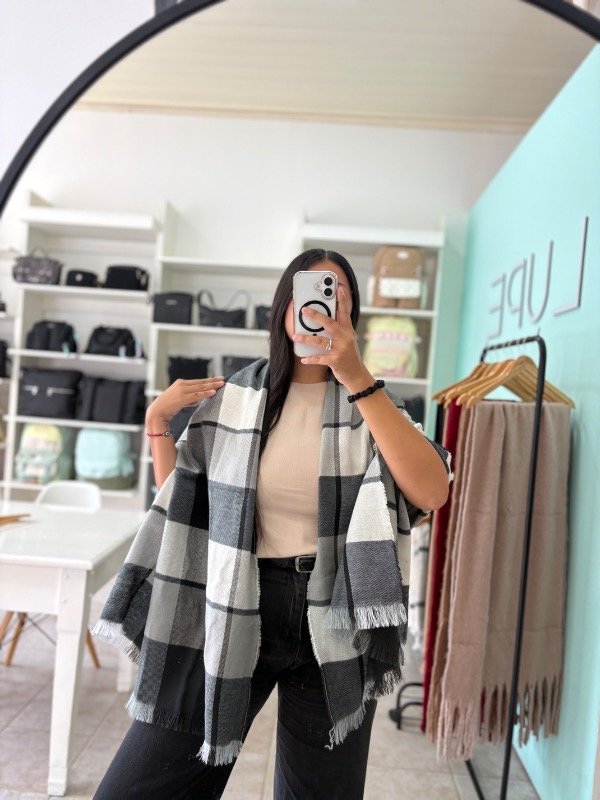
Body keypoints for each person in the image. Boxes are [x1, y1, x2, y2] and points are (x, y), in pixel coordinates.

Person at [93, 249, 450, 800]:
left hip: (335, 614)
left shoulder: (374, 405)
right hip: (237, 601)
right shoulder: (236, 399)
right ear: (285, 307)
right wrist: (157, 422)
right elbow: (187, 507)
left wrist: (356, 376)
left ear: (351, 315)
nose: (321, 307)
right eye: (310, 292)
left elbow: (432, 491)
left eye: (337, 295)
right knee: (139, 787)